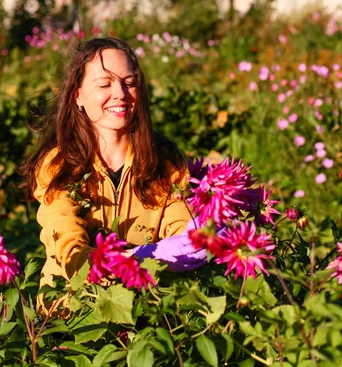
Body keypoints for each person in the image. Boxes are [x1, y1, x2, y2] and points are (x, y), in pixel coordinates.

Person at [19, 37, 204, 315]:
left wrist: (189, 241)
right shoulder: (59, 164)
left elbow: (183, 228)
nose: (120, 93)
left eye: (129, 83)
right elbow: (66, 240)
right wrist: (122, 263)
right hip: (74, 315)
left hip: (143, 308)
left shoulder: (163, 160)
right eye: (104, 84)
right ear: (77, 96)